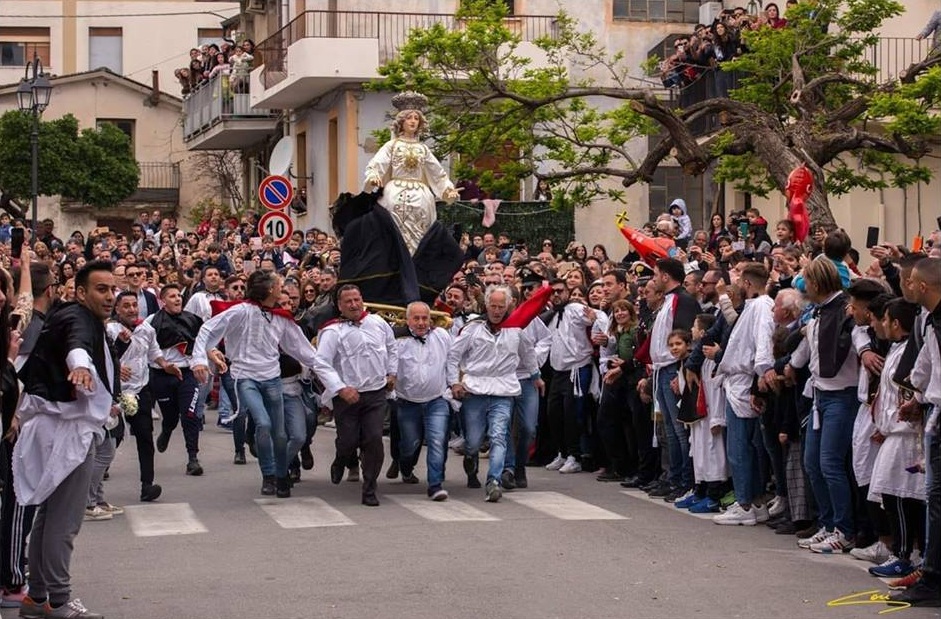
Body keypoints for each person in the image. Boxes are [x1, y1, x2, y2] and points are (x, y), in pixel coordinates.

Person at [14, 261, 117, 619]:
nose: (109, 296)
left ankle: (37, 598)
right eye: (101, 289)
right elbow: (78, 347)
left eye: (112, 289)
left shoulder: (77, 316)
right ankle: (58, 600)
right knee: (65, 519)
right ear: (80, 292)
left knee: (50, 515)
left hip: (55, 425)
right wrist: (81, 367)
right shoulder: (77, 317)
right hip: (65, 430)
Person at [192, 270, 337, 498]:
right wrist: (199, 359)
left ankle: (281, 476)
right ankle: (268, 475)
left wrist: (333, 379)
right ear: (270, 290)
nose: (284, 289)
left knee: (280, 433)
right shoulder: (241, 311)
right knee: (263, 423)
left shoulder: (281, 318)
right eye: (280, 285)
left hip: (272, 378)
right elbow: (208, 329)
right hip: (245, 376)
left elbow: (305, 352)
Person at [447, 284, 540, 502]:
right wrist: (454, 383)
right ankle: (471, 459)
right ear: (486, 305)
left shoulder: (516, 329)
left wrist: (536, 377)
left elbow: (528, 355)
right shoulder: (472, 328)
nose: (497, 311)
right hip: (475, 391)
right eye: (493, 306)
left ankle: (494, 481)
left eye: (501, 306)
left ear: (508, 306)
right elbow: (453, 357)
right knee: (473, 441)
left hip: (503, 391)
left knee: (499, 436)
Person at [315, 285, 397, 507]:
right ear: (340, 306)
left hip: (375, 393)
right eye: (348, 301)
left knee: (373, 439)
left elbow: (392, 347)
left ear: (362, 300)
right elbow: (321, 364)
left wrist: (392, 373)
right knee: (348, 440)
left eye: (356, 299)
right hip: (347, 396)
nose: (353, 305)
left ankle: (369, 487)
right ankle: (342, 459)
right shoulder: (333, 331)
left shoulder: (378, 323)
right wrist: (340, 388)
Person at [363, 92, 460, 255]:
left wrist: (447, 189)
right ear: (401, 121)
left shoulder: (423, 149)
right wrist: (373, 176)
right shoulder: (392, 145)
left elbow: (438, 173)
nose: (413, 121)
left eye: (416, 118)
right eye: (409, 118)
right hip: (395, 190)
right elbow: (377, 164)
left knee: (421, 233)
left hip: (420, 194)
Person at [109, 291, 174, 503]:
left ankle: (147, 485)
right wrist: (117, 367)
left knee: (145, 436)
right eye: (126, 305)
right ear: (117, 309)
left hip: (140, 390)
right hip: (115, 392)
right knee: (114, 435)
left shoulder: (146, 329)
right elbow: (100, 358)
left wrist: (166, 365)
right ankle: (101, 469)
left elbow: (154, 353)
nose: (131, 309)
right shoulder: (110, 330)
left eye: (134, 305)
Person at [393, 301, 453, 501]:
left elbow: (452, 361)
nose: (420, 322)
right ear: (408, 319)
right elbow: (390, 368)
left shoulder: (442, 336)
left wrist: (454, 385)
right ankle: (405, 466)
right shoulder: (398, 340)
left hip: (436, 399)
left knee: (437, 440)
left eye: (424, 318)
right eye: (416, 318)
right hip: (407, 401)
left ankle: (435, 484)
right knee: (410, 444)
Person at [147, 284, 205, 476]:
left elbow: (202, 342)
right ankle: (167, 429)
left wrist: (207, 359)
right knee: (171, 417)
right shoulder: (152, 322)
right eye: (172, 296)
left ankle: (193, 459)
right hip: (162, 376)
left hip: (186, 374)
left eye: (179, 296)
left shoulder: (191, 319)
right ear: (163, 301)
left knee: (190, 415)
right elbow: (142, 348)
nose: (177, 299)